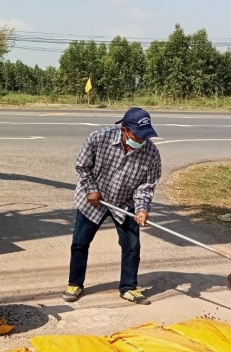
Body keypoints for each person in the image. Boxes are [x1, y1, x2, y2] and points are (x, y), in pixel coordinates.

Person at [62, 107, 162, 305]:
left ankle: (128, 288)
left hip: (125, 203)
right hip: (94, 200)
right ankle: (75, 284)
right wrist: (91, 189)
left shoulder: (151, 153)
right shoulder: (99, 138)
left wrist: (142, 209)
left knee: (132, 246)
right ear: (124, 130)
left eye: (145, 135)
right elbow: (82, 166)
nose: (142, 140)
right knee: (80, 243)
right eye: (138, 135)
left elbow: (146, 186)